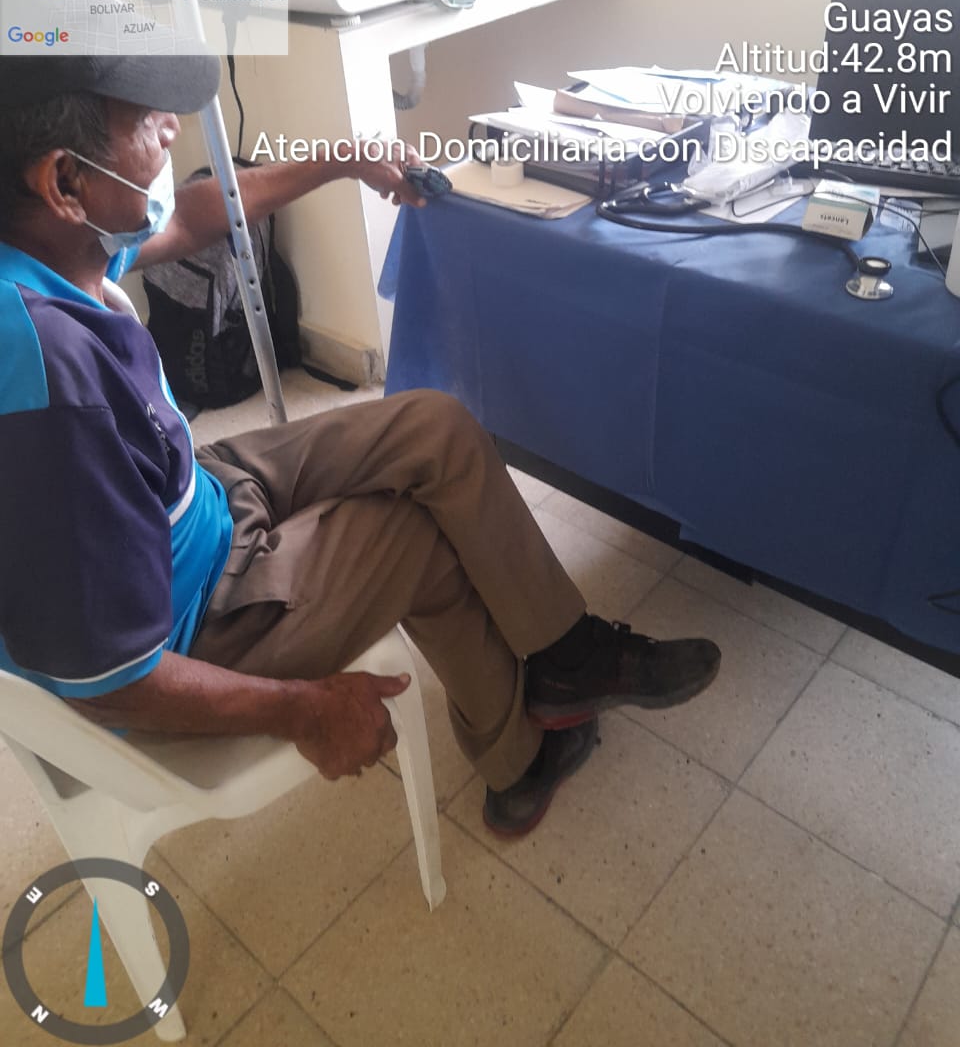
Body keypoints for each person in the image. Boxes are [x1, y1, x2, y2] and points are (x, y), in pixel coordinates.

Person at [0, 55, 720, 837]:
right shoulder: (45, 389)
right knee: (416, 536)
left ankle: (566, 657)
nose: (172, 128)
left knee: (436, 429)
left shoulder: (51, 243)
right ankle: (520, 763)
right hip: (198, 626)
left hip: (194, 501)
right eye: (144, 121)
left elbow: (190, 220)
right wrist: (301, 710)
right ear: (64, 180)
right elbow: (106, 678)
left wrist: (344, 159)